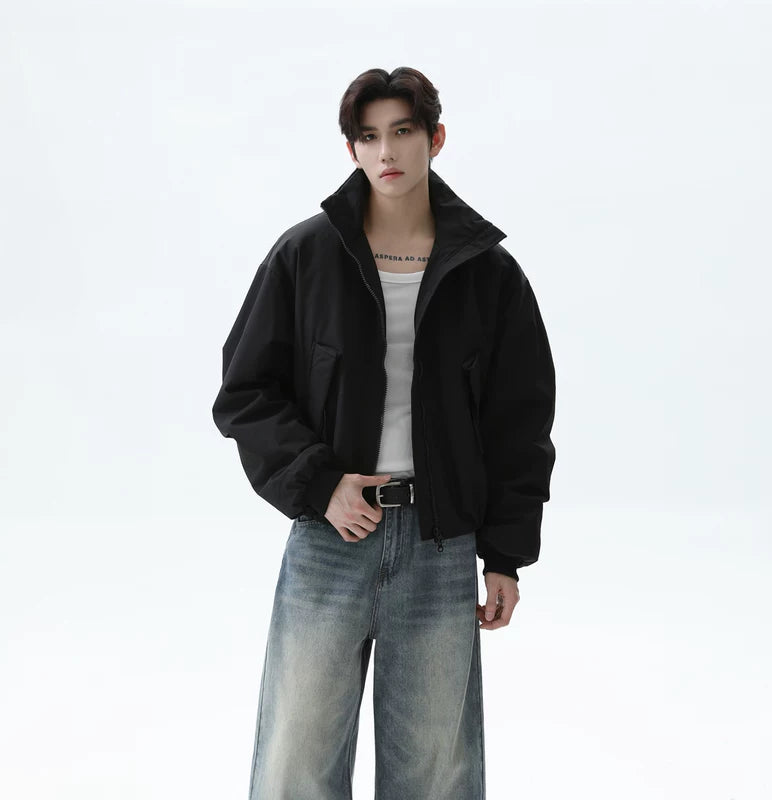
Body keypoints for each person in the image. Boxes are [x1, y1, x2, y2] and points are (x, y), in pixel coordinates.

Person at [212, 66, 556, 800]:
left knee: (435, 774)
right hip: (329, 540)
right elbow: (245, 392)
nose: (386, 151)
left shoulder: (489, 274)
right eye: (368, 137)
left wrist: (505, 556)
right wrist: (320, 484)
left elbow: (519, 423)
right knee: (295, 765)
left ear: (436, 138)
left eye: (402, 131)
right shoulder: (305, 256)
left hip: (440, 545)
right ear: (352, 150)